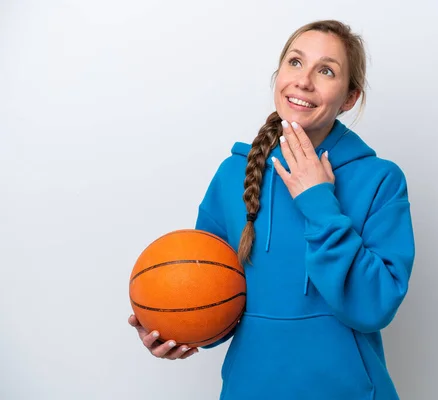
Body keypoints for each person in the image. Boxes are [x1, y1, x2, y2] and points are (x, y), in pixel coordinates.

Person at [129, 19, 416, 400]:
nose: (304, 80)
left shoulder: (381, 180)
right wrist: (175, 324)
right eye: (295, 63)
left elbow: (375, 306)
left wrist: (319, 202)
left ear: (349, 98)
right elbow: (210, 292)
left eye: (326, 71)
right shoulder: (233, 175)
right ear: (278, 75)